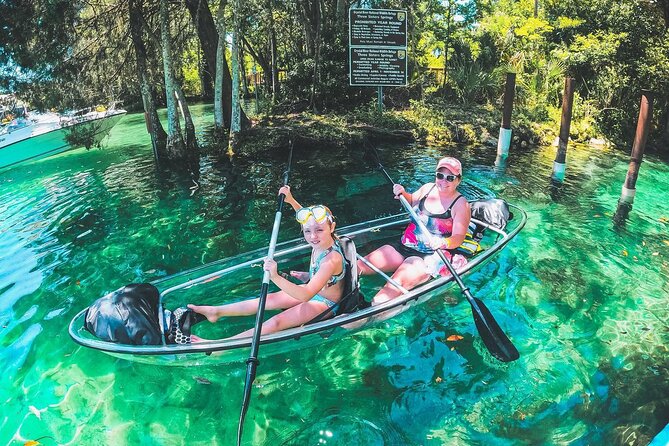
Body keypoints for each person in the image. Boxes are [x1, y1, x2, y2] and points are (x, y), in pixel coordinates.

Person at [187, 186, 346, 339]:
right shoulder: (321, 240)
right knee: (268, 300)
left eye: (319, 230)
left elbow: (305, 295)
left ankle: (218, 349)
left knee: (276, 322)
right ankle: (216, 312)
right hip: (316, 291)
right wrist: (290, 200)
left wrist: (275, 276)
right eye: (307, 231)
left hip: (325, 303)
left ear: (332, 227)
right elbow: (306, 218)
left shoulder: (331, 260)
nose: (313, 237)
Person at [358, 157, 473, 305]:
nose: (443, 181)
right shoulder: (428, 188)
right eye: (440, 175)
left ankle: (365, 312)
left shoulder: (461, 205)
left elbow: (458, 238)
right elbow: (411, 200)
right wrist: (402, 193)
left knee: (390, 290)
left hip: (428, 256)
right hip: (404, 245)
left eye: (450, 178)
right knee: (359, 266)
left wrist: (443, 242)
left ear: (458, 180)